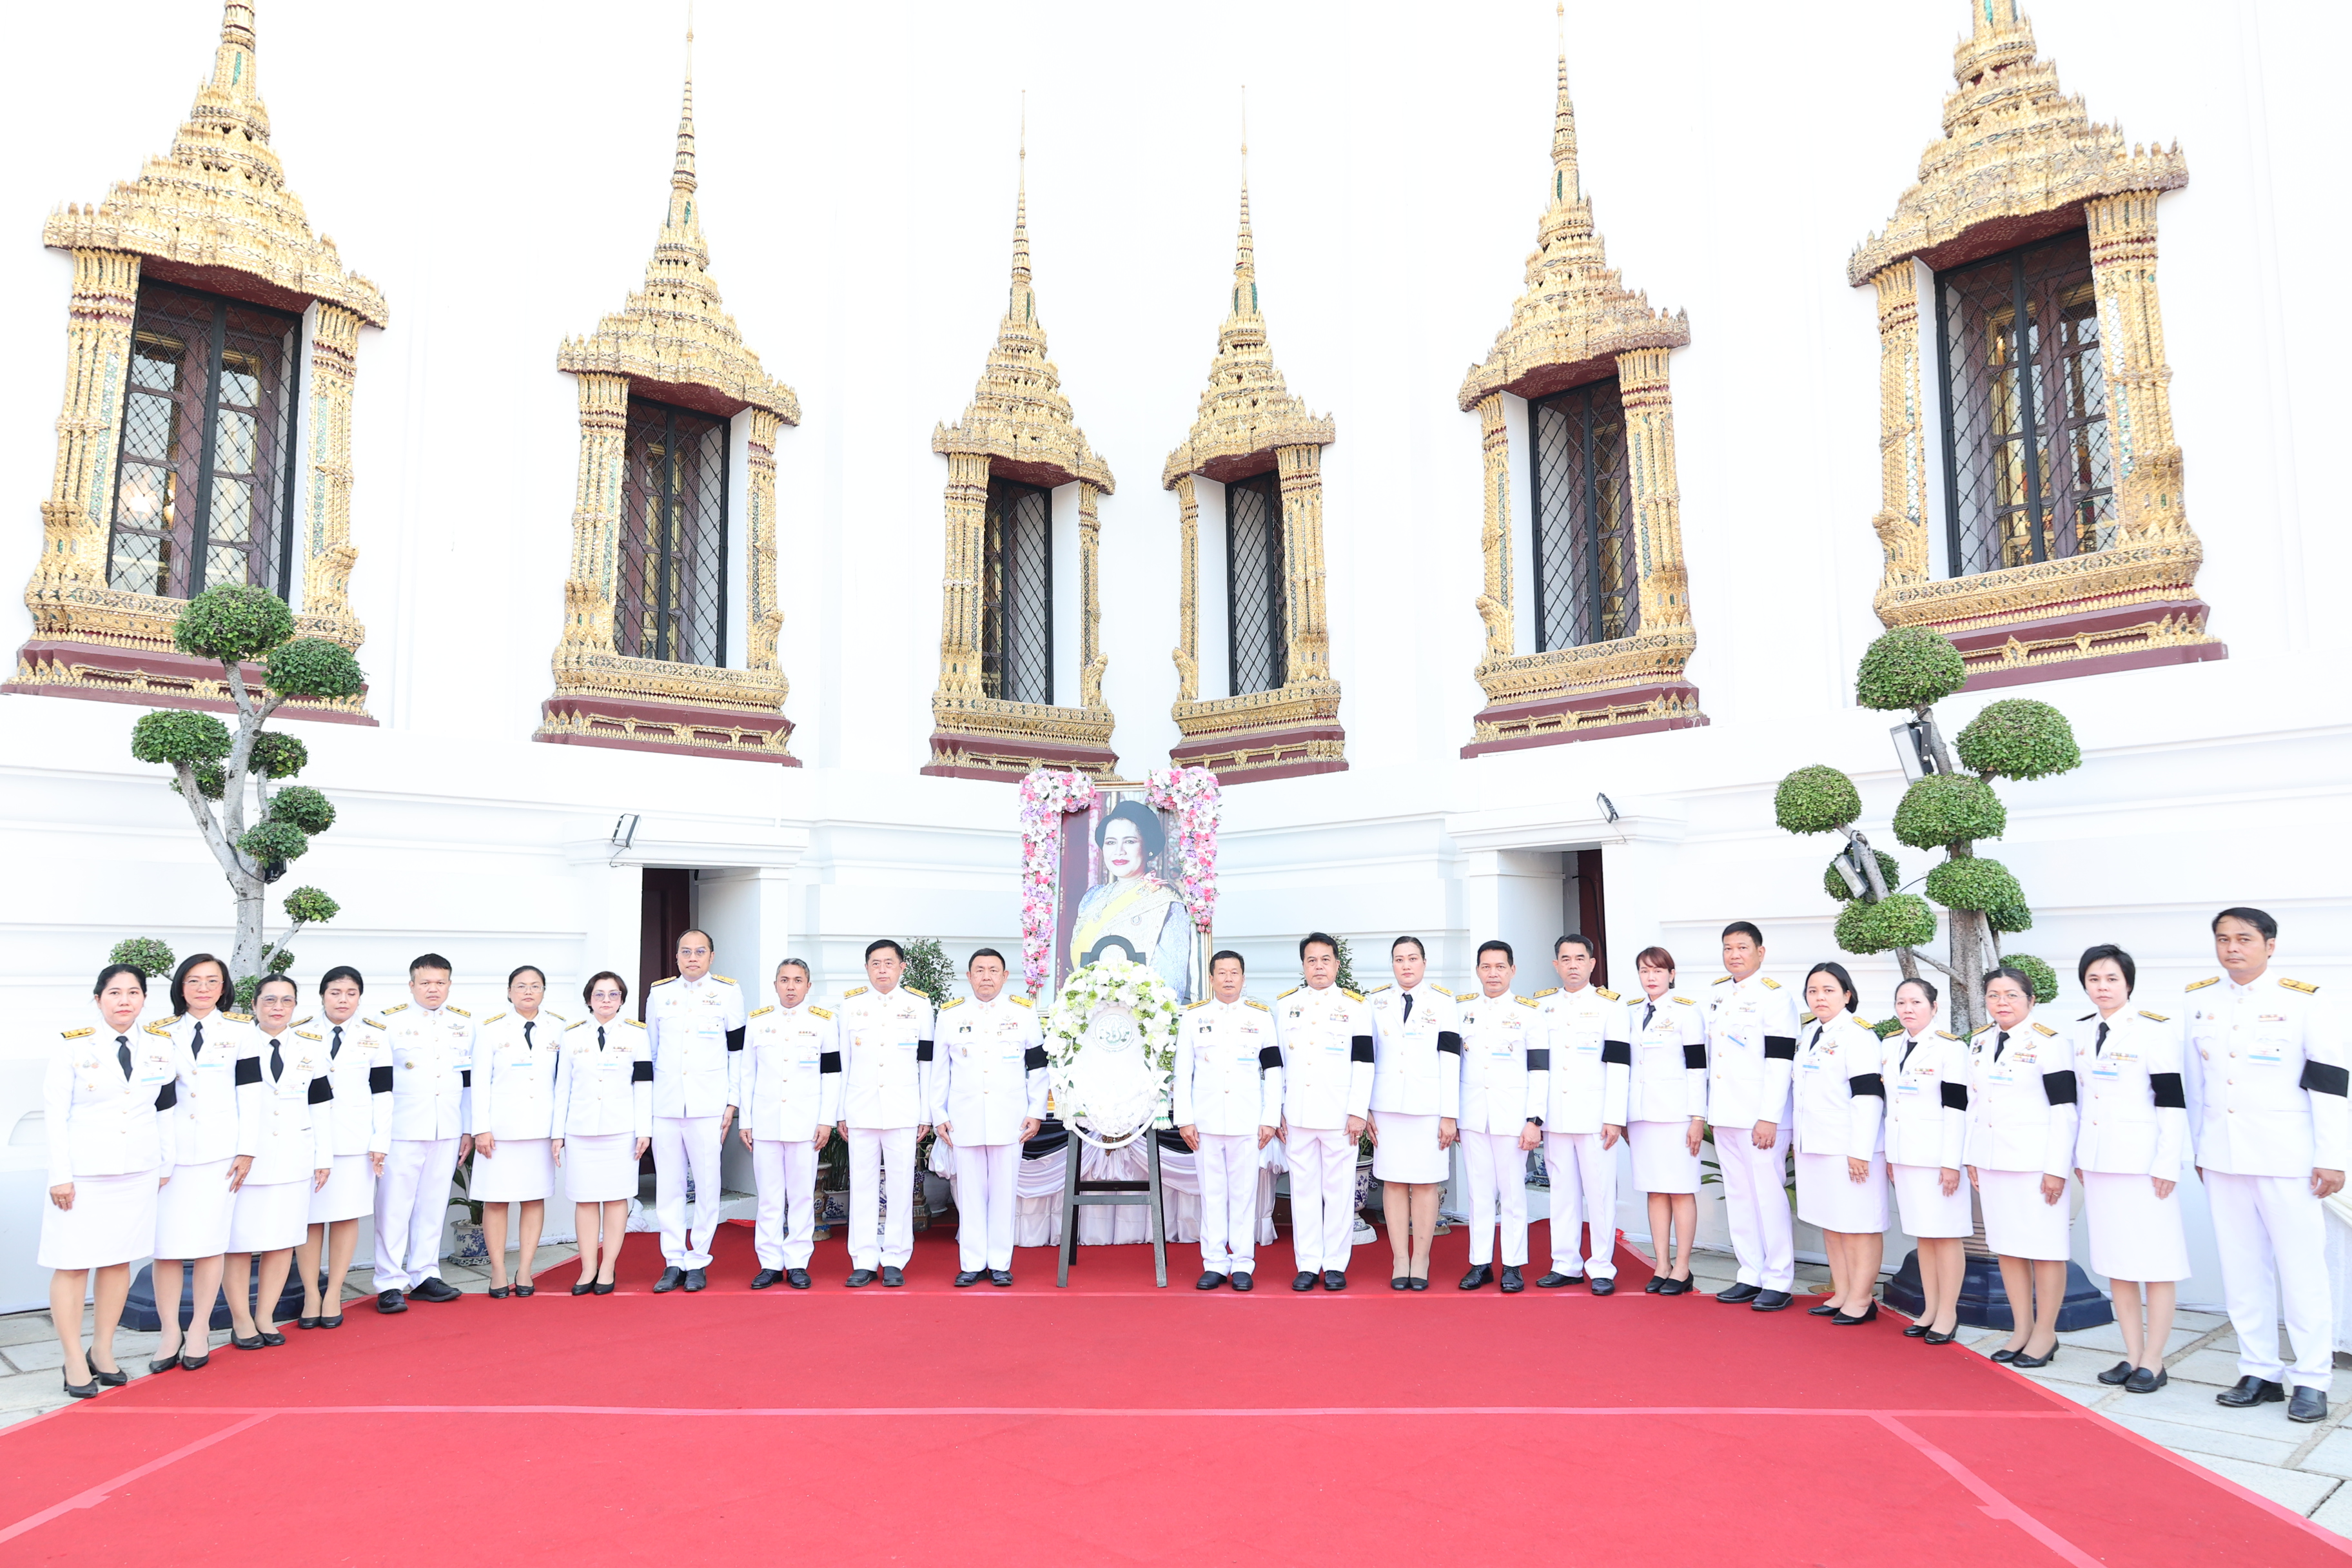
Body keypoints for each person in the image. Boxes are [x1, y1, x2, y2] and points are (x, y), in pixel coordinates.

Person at [2186, 906, 2345, 1423]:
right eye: (2223, 939)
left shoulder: (2303, 1001)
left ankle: (2313, 1379)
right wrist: (2200, 1150)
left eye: (2244, 939)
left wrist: (2332, 1156)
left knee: (2302, 1268)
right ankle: (2259, 1370)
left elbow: (2329, 1082)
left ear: (2269, 945)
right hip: (2224, 1156)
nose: (2232, 947)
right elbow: (2197, 1087)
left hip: (2287, 1158)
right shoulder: (2199, 1001)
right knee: (2241, 1266)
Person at [43, 963, 190, 1398]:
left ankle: (102, 1350)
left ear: (145, 999)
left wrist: (165, 1164)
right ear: (98, 998)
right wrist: (60, 1175)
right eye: (114, 993)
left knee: (117, 1262)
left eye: (133, 992)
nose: (124, 1000)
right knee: (72, 1264)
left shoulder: (161, 1046)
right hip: (83, 1175)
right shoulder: (72, 1046)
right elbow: (54, 1116)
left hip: (137, 1171)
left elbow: (165, 1108)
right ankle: (73, 1358)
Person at [2073, 944, 2189, 1393]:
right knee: (2117, 1262)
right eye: (2094, 980)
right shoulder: (2082, 1033)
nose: (2102, 988)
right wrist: (2082, 1157)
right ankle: (2131, 1353)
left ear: (2128, 983)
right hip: (2100, 1164)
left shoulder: (2153, 1032)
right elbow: (2084, 1102)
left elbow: (2172, 1102)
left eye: (2111, 979)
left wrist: (2167, 1162)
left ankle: (2155, 1360)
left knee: (2156, 1263)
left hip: (2144, 1165)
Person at [1965, 965, 2077, 1368]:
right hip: (1994, 1161)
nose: (2002, 1002)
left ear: (2031, 1000)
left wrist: (2057, 1168)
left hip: (2035, 1164)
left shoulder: (2050, 1043)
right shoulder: (1979, 1042)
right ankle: (2022, 1329)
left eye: (2011, 995)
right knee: (2009, 1250)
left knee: (2045, 1251)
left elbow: (2065, 1110)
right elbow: (1974, 1104)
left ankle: (2045, 1334)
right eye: (1994, 995)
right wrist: (1971, 1156)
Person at [147, 952, 255, 1370]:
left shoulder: (241, 1033)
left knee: (211, 1243)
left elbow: (251, 1093)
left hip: (220, 1154)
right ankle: (170, 1330)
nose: (204, 989)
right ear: (181, 987)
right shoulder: (158, 1034)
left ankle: (199, 1329)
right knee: (166, 1248)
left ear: (224, 988)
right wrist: (157, 1156)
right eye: (194, 981)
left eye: (212, 981)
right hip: (170, 1154)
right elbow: (157, 1097)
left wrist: (247, 1149)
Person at [221, 976, 332, 1349]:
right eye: (269, 1000)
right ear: (254, 1005)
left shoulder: (310, 1047)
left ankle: (265, 1315)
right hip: (246, 1160)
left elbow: (321, 1104)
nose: (277, 1008)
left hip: (293, 1156)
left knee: (282, 1241)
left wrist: (324, 1156)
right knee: (238, 1243)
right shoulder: (236, 1042)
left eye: (286, 1001)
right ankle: (241, 1319)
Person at [934, 948, 1047, 1286]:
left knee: (1003, 1192)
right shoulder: (951, 1015)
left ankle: (999, 1262)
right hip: (963, 1118)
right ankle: (971, 1262)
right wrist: (938, 1112)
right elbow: (940, 1071)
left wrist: (1036, 1111)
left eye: (993, 970)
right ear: (968, 977)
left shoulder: (1024, 1014)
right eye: (979, 970)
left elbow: (1038, 1068)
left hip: (1010, 1118)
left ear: (1004, 976)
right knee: (968, 1193)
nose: (986, 976)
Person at [1705, 922, 1801, 1311]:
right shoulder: (1717, 994)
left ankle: (1779, 1279)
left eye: (1742, 947)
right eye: (1728, 948)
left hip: (1760, 1117)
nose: (1734, 955)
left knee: (1767, 1196)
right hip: (1726, 1114)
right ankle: (1750, 1272)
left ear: (1761, 953)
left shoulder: (1775, 998)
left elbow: (1780, 1061)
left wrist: (1769, 1117)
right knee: (1741, 1197)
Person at [373, 953, 476, 1313]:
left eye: (440, 982)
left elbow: (466, 1082)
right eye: (426, 983)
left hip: (446, 1127)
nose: (433, 989)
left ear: (449, 984)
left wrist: (467, 1128)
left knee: (433, 1204)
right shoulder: (388, 1023)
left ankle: (424, 1273)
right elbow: (381, 1085)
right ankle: (389, 1282)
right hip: (403, 1129)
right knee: (393, 1208)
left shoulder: (464, 1024)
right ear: (412, 984)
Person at [644, 930, 746, 1294]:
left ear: (711, 957)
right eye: (685, 952)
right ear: (676, 957)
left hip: (709, 1105)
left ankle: (699, 1258)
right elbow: (650, 1055)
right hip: (667, 1105)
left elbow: (738, 1053)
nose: (692, 958)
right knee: (668, 1187)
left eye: (699, 952)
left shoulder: (729, 993)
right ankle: (673, 1259)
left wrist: (733, 1102)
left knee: (707, 1185)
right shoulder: (660, 994)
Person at [1175, 949, 1282, 1291]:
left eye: (1234, 972)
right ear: (1211, 978)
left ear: (1243, 977)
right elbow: (1183, 1072)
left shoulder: (1261, 1017)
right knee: (1212, 1193)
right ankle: (1215, 1262)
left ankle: (1242, 1265)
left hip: (1247, 1120)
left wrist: (1270, 1117)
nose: (1228, 979)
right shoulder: (1193, 1018)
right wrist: (1184, 1119)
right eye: (1221, 973)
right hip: (1205, 1123)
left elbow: (1275, 1071)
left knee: (1243, 1194)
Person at [1275, 933, 1375, 1291]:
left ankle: (1334, 1264)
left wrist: (1358, 1111)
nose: (1319, 966)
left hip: (1340, 1117)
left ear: (1337, 964)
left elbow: (1364, 1062)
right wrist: (1277, 1112)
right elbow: (1278, 1066)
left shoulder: (1356, 1006)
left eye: (1326, 960)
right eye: (1312, 960)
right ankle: (1307, 1264)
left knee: (1338, 1191)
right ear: (1303, 966)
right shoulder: (1285, 1005)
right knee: (1302, 1192)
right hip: (1298, 1115)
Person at [1790, 962, 1887, 1326]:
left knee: (1859, 1224)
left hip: (1848, 1148)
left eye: (1829, 990)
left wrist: (1860, 1151)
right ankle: (1842, 1292)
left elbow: (1868, 1097)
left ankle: (1862, 1299)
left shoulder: (1859, 1036)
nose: (1820, 997)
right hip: (1815, 1145)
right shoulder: (1810, 1034)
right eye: (1813, 991)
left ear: (1847, 995)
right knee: (1832, 1223)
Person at [293, 965, 390, 1329]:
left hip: (355, 1140)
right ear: (322, 995)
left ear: (360, 997)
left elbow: (383, 1092)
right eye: (336, 992)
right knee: (310, 1220)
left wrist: (380, 1140)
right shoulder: (299, 1031)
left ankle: (334, 1292)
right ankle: (311, 1293)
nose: (343, 1000)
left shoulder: (375, 1036)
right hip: (309, 1139)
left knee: (346, 1215)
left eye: (351, 993)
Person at [836, 939, 936, 1287]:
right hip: (860, 1110)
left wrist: (925, 1113)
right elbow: (843, 1065)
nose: (882, 969)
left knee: (900, 1185)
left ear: (901, 967)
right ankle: (863, 1258)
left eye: (889, 963)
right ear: (867, 968)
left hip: (904, 1110)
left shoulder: (920, 1006)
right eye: (875, 963)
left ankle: (895, 1257)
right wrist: (840, 1112)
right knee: (861, 1186)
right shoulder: (850, 1006)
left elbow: (927, 1063)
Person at [1532, 935, 1628, 1294]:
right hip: (1556, 1115)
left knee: (1600, 1193)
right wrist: (1536, 1116)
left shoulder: (1611, 1006)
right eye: (1565, 959)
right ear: (1556, 965)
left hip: (1595, 1117)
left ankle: (1602, 1266)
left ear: (1592, 964)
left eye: (1579, 958)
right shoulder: (1541, 1006)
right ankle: (1566, 1263)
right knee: (1562, 1192)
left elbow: (1619, 1065)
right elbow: (1537, 1065)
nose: (1572, 965)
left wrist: (1614, 1116)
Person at [1364, 936, 1459, 1290]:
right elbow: (1367, 1057)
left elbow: (1451, 1060)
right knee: (1392, 1181)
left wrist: (1449, 1113)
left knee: (1424, 1183)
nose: (1406, 965)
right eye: (1399, 959)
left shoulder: (1444, 1002)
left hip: (1428, 1108)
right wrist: (1365, 1107)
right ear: (1392, 964)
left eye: (1413, 958)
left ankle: (1421, 1257)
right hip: (1386, 1106)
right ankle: (1399, 1258)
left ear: (1424, 962)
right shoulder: (1375, 1002)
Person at [740, 959, 841, 1290]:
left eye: (798, 980)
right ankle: (769, 1263)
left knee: (800, 1196)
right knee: (769, 1197)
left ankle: (797, 1262)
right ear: (775, 985)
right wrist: (747, 1120)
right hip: (766, 1123)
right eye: (784, 980)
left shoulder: (823, 1023)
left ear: (808, 986)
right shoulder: (758, 1023)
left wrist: (826, 1120)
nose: (791, 986)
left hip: (805, 1124)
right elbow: (747, 1075)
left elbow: (832, 1075)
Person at [1453, 941, 1545, 1292]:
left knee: (1512, 1194)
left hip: (1513, 1118)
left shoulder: (1529, 1013)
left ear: (1513, 970)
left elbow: (1540, 1069)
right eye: (1486, 967)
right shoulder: (1462, 1010)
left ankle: (1512, 1265)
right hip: (1474, 1116)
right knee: (1478, 1192)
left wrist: (1534, 1120)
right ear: (1477, 970)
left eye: (1500, 967)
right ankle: (1480, 1263)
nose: (1493, 973)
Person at [551, 972, 651, 1295]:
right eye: (599, 994)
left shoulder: (637, 1035)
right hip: (580, 1130)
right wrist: (557, 1134)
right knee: (585, 1199)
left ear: (622, 999)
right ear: (589, 999)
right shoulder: (572, 1036)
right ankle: (587, 1268)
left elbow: (644, 1086)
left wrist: (644, 1130)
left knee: (616, 1197)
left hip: (621, 1130)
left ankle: (608, 1266)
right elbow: (562, 1088)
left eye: (613, 995)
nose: (606, 1000)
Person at [1882, 977, 1970, 1344]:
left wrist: (1952, 1163)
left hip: (1937, 1158)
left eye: (1916, 1002)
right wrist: (1890, 1155)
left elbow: (1957, 1108)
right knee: (1924, 1236)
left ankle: (1948, 1313)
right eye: (1901, 1002)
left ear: (1934, 1008)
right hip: (1905, 1156)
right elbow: (1891, 1105)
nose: (1907, 1009)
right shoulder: (1889, 1045)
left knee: (1946, 1236)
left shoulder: (1950, 1049)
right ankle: (1930, 1309)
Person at [473, 965, 565, 1297]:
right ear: (509, 992)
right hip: (498, 1132)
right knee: (496, 1202)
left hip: (540, 1129)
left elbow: (563, 1084)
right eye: (521, 986)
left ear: (544, 991)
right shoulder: (490, 1030)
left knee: (533, 1199)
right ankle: (498, 1271)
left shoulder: (559, 1029)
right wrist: (480, 1128)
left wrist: (559, 1131)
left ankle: (525, 1270)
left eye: (535, 986)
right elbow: (479, 1083)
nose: (528, 992)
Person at [1623, 947, 1707, 1295]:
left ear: (1671, 974)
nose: (1651, 977)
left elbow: (1697, 1066)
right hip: (1641, 1116)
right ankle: (1661, 1264)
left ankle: (1683, 1267)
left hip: (1677, 1116)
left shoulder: (1687, 1012)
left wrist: (1698, 1117)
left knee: (1681, 1190)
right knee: (1655, 1190)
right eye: (1644, 971)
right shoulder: (1630, 1012)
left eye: (1658, 971)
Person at [1068, 800, 1193, 1001]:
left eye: (1130, 841)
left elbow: (1171, 986)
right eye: (1110, 842)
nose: (1119, 851)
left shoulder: (1167, 903)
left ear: (1148, 848)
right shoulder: (1092, 898)